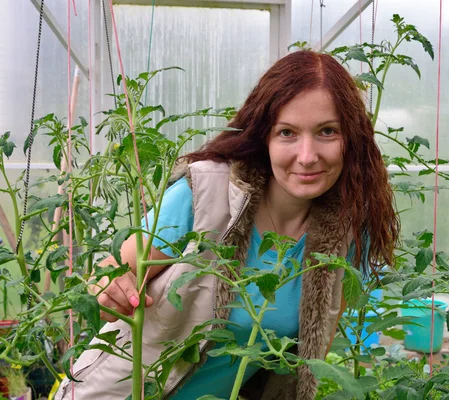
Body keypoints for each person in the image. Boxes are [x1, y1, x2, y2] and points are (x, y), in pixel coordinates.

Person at [56, 50, 399, 400]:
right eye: (287, 133)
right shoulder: (205, 195)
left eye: (327, 131)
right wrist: (110, 285)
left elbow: (306, 359)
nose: (307, 155)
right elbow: (111, 270)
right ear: (264, 136)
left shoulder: (347, 236)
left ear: (352, 139)